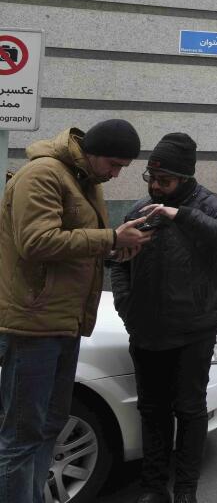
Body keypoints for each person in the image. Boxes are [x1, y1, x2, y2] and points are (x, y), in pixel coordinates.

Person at [0, 120, 152, 503]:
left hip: (62, 321)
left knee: (49, 426)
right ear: (93, 152)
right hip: (32, 324)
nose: (116, 174)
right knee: (21, 435)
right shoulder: (43, 175)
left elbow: (73, 244)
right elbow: (36, 242)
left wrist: (113, 248)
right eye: (115, 164)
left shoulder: (83, 179)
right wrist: (111, 238)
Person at [111, 133, 217, 503]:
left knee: (188, 410)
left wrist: (181, 215)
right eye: (151, 179)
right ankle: (154, 489)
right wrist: (126, 304)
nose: (155, 187)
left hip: (193, 331)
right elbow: (118, 262)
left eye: (164, 181)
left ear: (185, 178)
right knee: (152, 411)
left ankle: (186, 490)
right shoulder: (140, 209)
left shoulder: (210, 206)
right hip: (146, 330)